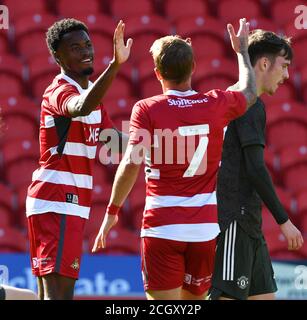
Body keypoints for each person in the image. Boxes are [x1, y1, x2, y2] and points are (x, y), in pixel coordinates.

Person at [92, 18, 257, 300]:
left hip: (162, 226)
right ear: (193, 68)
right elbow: (250, 92)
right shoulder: (215, 103)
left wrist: (112, 212)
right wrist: (242, 51)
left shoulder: (147, 109)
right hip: (204, 230)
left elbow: (132, 162)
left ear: (157, 74)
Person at [25, 18, 132, 300]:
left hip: (67, 203)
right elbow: (80, 108)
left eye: (87, 44)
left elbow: (116, 142)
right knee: (59, 296)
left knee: (51, 295)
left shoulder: (92, 95)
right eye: (75, 48)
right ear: (58, 56)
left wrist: (161, 143)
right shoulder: (59, 91)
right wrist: (116, 66)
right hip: (58, 200)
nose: (85, 51)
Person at [208, 29, 304, 300]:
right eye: (283, 66)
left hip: (249, 222)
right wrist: (284, 221)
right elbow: (255, 168)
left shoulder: (236, 97)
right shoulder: (248, 104)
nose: (286, 76)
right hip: (233, 222)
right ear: (264, 64)